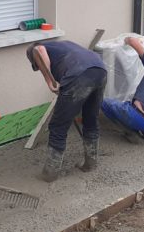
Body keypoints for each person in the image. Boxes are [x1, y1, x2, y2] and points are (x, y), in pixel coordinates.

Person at [26, 40, 107, 181]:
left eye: (37, 66)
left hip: (79, 75)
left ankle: (50, 173)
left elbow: (38, 50)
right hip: (99, 70)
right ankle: (90, 163)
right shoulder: (62, 45)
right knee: (90, 119)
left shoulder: (39, 49)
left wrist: (50, 82)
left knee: (58, 126)